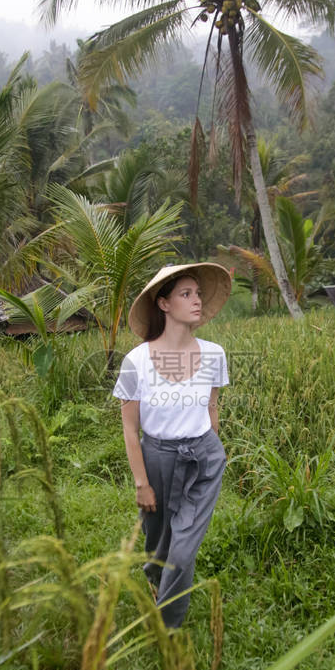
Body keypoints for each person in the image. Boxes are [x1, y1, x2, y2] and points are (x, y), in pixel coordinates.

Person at [112, 262, 232, 628]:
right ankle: (155, 579)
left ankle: (167, 628)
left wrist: (211, 445)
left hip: (204, 459)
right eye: (186, 294)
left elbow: (212, 408)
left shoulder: (214, 354)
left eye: (197, 293)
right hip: (158, 458)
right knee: (159, 543)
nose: (196, 301)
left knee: (181, 551)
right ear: (164, 304)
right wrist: (141, 482)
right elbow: (131, 429)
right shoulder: (137, 361)